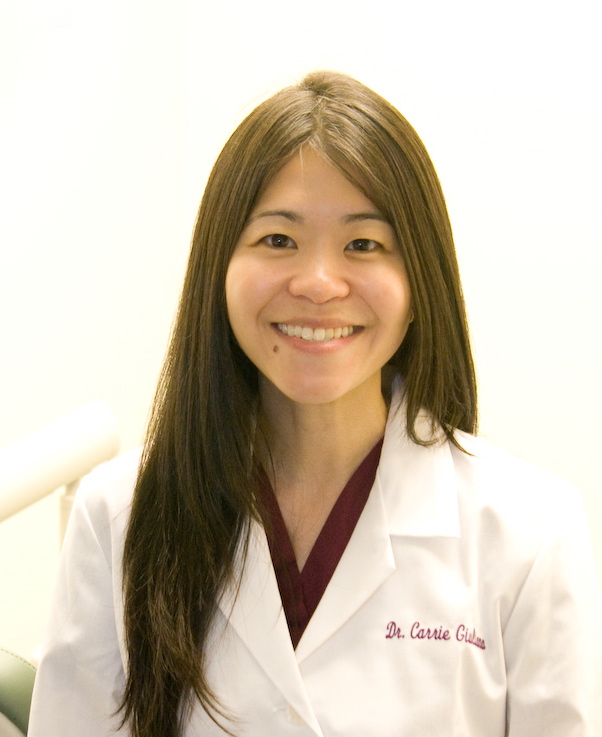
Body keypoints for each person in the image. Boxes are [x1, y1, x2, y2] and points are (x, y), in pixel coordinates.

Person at [28, 71, 602, 737]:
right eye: (278, 240)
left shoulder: (531, 532)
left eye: (364, 244)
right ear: (220, 268)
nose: (320, 283)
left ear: (421, 281)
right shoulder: (118, 514)